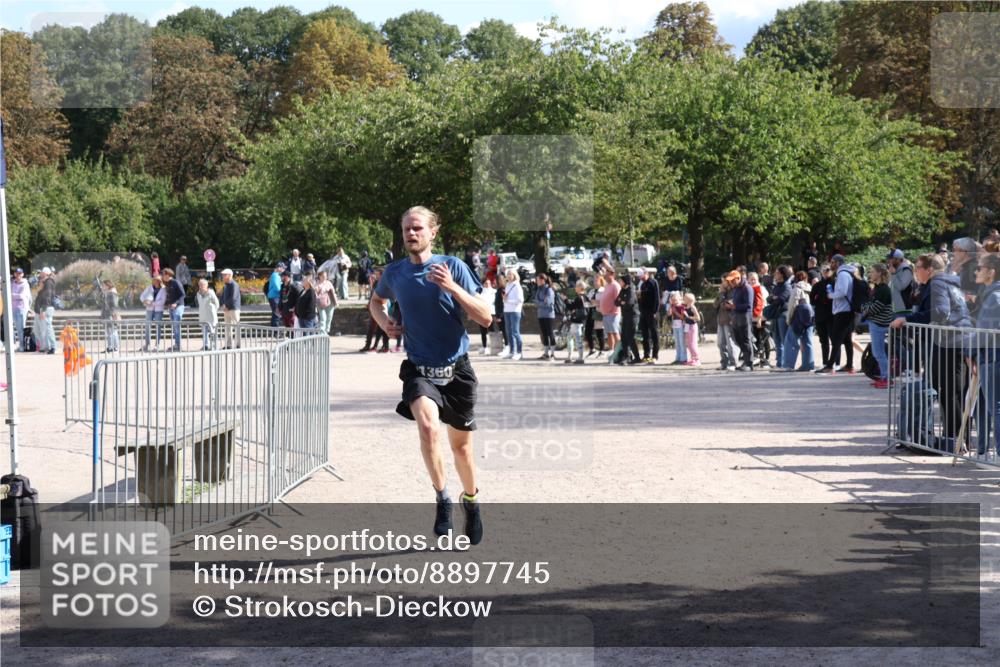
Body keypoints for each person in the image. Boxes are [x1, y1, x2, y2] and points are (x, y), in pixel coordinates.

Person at [368, 206, 491, 544]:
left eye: (418, 228)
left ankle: (472, 501)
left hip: (457, 370)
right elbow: (375, 303)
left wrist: (452, 287)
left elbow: (485, 318)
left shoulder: (454, 267)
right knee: (427, 427)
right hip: (419, 368)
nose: (411, 233)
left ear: (433, 232)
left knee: (462, 450)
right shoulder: (394, 273)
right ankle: (442, 498)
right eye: (406, 228)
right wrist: (385, 324)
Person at [890, 253, 971, 452]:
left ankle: (955, 440)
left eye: (917, 268)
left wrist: (909, 320)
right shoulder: (951, 282)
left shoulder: (937, 283)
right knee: (953, 393)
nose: (915, 272)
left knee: (947, 393)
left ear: (929, 269)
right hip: (956, 342)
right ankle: (957, 439)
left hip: (948, 343)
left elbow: (942, 312)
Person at [972, 252, 1000, 455]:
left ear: (991, 272)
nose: (977, 271)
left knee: (996, 409)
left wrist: (970, 351)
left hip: (993, 358)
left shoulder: (994, 297)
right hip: (991, 357)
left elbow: (984, 333)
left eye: (980, 267)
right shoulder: (991, 295)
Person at [816, 255, 856, 374]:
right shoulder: (845, 273)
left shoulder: (843, 274)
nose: (831, 264)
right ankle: (849, 365)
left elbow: (842, 292)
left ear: (838, 263)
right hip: (845, 310)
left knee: (837, 339)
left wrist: (831, 295)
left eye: (832, 262)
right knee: (847, 340)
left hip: (843, 311)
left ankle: (829, 365)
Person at [861, 264, 895, 388]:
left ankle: (886, 378)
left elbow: (874, 308)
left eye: (873, 271)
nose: (871, 274)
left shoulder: (883, 289)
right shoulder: (878, 288)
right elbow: (869, 305)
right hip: (876, 323)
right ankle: (884, 377)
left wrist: (865, 308)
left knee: (879, 353)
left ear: (880, 273)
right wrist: (866, 307)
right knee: (878, 353)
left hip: (879, 324)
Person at [780, 274, 814, 371]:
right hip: (809, 318)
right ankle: (808, 365)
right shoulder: (810, 288)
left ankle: (788, 365)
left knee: (790, 341)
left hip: (798, 318)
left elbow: (792, 306)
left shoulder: (797, 289)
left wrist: (789, 319)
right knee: (808, 341)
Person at [810, 264, 835, 369]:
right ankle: (826, 362)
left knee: (834, 340)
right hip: (822, 315)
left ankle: (834, 362)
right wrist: (820, 301)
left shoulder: (835, 283)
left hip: (831, 315)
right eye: (825, 270)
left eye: (828, 270)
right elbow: (812, 299)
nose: (826, 272)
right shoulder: (818, 285)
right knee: (824, 341)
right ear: (821, 272)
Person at [729, 270, 754, 371]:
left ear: (738, 278)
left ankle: (749, 363)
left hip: (744, 316)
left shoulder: (747, 288)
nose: (731, 282)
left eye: (733, 280)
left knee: (746, 339)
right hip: (736, 316)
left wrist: (734, 306)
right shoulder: (736, 288)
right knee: (737, 338)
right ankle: (745, 361)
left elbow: (748, 305)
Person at [767, 266, 792, 366]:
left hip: (783, 314)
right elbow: (768, 299)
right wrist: (774, 298)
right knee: (776, 339)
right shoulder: (776, 286)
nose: (775, 274)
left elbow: (780, 300)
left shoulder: (787, 286)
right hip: (775, 315)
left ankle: (786, 362)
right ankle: (779, 362)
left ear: (782, 274)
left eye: (776, 273)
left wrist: (774, 298)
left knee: (784, 339)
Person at [616, 273, 641, 365]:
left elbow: (629, 303)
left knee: (630, 337)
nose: (619, 282)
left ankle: (637, 357)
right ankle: (626, 357)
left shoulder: (631, 290)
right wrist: (622, 302)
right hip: (625, 316)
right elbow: (616, 302)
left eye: (621, 281)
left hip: (633, 316)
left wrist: (622, 302)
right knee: (624, 338)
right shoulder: (622, 290)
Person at [599, 266, 622, 363]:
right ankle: (612, 351)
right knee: (609, 333)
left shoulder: (615, 285)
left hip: (613, 313)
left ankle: (620, 352)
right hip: (606, 314)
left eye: (606, 274)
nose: (604, 275)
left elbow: (618, 300)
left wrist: (613, 310)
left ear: (612, 274)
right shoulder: (607, 285)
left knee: (615, 333)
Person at [715, 276, 738, 371]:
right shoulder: (722, 293)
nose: (722, 283)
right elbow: (715, 304)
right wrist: (721, 294)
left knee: (730, 343)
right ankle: (724, 362)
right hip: (720, 320)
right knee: (720, 343)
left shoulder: (733, 292)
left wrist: (724, 302)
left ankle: (733, 363)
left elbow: (729, 305)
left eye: (723, 281)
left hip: (729, 320)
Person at [748, 272, 771, 368]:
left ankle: (764, 360)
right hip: (752, 316)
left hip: (760, 316)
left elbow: (762, 304)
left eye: (755, 279)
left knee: (762, 339)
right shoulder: (749, 288)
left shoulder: (760, 289)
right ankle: (757, 358)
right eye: (751, 279)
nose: (753, 281)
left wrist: (759, 318)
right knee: (756, 339)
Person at [33, 267, 57, 355]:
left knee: (48, 328)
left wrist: (43, 310)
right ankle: (46, 346)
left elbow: (47, 297)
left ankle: (53, 347)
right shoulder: (43, 282)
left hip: (46, 308)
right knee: (41, 329)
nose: (40, 274)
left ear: (46, 274)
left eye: (41, 273)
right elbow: (40, 295)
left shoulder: (49, 282)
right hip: (41, 309)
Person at [638, 268, 660, 364]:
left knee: (654, 334)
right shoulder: (642, 285)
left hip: (652, 312)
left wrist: (655, 311)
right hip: (644, 312)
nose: (641, 278)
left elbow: (657, 298)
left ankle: (655, 355)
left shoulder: (653, 282)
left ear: (646, 274)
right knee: (645, 334)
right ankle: (646, 355)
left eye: (642, 276)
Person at [502, 268, 524, 360]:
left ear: (515, 275)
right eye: (508, 274)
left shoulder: (517, 286)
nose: (509, 276)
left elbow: (520, 300)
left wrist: (508, 300)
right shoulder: (507, 285)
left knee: (515, 331)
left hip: (515, 311)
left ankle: (519, 352)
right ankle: (512, 351)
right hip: (507, 310)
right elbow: (505, 299)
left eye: (511, 274)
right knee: (509, 332)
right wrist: (505, 300)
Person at [140, 275, 166, 351]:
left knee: (158, 327)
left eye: (157, 280)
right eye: (154, 280)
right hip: (149, 309)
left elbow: (162, 301)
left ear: (160, 281)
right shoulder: (149, 287)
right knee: (147, 326)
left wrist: (152, 303)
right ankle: (147, 344)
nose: (155, 281)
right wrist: (144, 301)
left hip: (158, 310)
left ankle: (156, 345)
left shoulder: (163, 289)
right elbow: (142, 296)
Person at [534, 273, 557, 361]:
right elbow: (536, 301)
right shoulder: (539, 290)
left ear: (543, 280)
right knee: (544, 334)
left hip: (548, 315)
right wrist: (541, 302)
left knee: (550, 333)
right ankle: (546, 353)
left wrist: (540, 303)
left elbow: (548, 303)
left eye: (538, 280)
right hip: (541, 314)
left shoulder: (549, 290)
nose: (537, 282)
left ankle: (553, 354)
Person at [564, 280, 587, 364]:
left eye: (577, 286)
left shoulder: (579, 298)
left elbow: (571, 307)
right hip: (580, 320)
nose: (575, 288)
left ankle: (580, 357)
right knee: (571, 337)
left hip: (576, 320)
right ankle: (571, 356)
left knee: (576, 338)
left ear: (580, 288)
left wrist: (565, 300)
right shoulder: (585, 297)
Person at [196, 278, 220, 350]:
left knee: (213, 331)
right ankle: (206, 345)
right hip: (203, 315)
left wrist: (213, 310)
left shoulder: (211, 293)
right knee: (204, 332)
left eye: (203, 285)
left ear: (207, 285)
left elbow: (217, 303)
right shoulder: (198, 294)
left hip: (211, 316)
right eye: (200, 285)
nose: (201, 286)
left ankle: (214, 345)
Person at [10, 268, 31, 352]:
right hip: (13, 308)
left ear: (22, 274)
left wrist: (11, 295)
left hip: (21, 308)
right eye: (17, 273)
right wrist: (15, 296)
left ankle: (23, 346)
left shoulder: (25, 284)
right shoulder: (12, 283)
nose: (18, 275)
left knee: (21, 328)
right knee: (15, 328)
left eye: (20, 273)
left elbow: (22, 296)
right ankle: (19, 345)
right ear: (15, 274)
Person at [585, 276, 606, 358]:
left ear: (601, 282)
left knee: (599, 331)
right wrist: (588, 302)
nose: (594, 282)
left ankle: (602, 350)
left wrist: (596, 302)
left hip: (598, 311)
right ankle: (592, 349)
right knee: (588, 331)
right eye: (594, 281)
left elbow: (604, 301)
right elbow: (588, 300)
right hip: (591, 311)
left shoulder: (603, 290)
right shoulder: (592, 291)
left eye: (596, 281)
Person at [220, 268, 241, 348]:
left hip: (234, 308)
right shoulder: (225, 285)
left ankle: (238, 344)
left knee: (236, 326)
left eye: (224, 275)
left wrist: (226, 306)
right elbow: (222, 296)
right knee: (228, 327)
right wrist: (223, 305)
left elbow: (234, 297)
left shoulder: (234, 284)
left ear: (229, 276)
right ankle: (228, 345)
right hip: (227, 308)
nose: (223, 276)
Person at [477, 277, 497, 355]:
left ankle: (494, 347)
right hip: (482, 313)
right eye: (486, 283)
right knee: (483, 332)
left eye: (489, 283)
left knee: (492, 331)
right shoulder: (480, 292)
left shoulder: (494, 291)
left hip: (492, 313)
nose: (487, 285)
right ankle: (485, 347)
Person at [100, 279, 120, 353]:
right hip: (109, 314)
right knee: (112, 331)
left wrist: (114, 314)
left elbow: (114, 305)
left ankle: (112, 347)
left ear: (108, 285)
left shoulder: (111, 293)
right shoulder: (109, 292)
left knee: (111, 331)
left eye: (103, 285)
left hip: (110, 314)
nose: (102, 287)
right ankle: (113, 347)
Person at [315, 270, 338, 336]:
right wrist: (319, 290)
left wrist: (336, 302)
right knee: (323, 318)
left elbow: (333, 293)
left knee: (329, 318)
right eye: (322, 276)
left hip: (330, 303)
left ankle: (326, 331)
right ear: (319, 276)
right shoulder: (317, 283)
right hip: (320, 303)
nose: (324, 277)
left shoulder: (329, 283)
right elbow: (316, 293)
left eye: (325, 276)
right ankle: (322, 333)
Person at [682, 292, 701, 366]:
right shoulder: (686, 306)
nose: (683, 299)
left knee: (693, 343)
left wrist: (689, 317)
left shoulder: (692, 307)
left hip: (692, 326)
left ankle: (697, 359)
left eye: (685, 298)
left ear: (688, 300)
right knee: (689, 343)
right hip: (687, 326)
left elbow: (698, 318)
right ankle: (692, 358)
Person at [267, 262, 285, 327]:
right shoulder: (275, 275)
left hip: (273, 296)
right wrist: (283, 291)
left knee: (275, 314)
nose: (283, 270)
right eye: (283, 268)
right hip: (274, 297)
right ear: (279, 268)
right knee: (277, 314)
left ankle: (274, 331)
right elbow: (277, 287)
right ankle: (276, 332)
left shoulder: (276, 275)